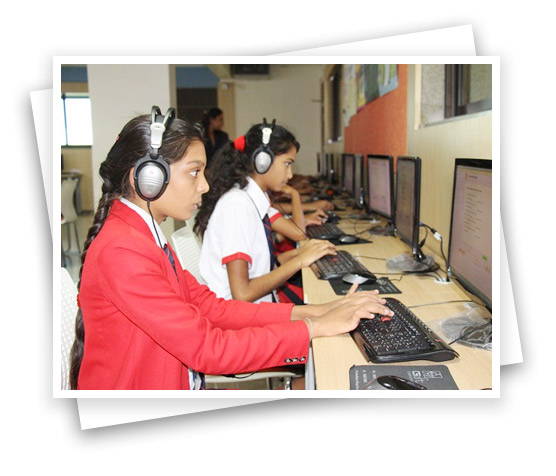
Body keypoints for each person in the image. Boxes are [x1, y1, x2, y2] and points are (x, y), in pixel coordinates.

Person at [69, 107, 393, 391]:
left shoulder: (144, 233)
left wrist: (319, 312)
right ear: (149, 178)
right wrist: (316, 328)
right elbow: (207, 348)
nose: (205, 185)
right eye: (194, 172)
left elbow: (212, 309)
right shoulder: (123, 250)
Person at [195, 120, 335, 304]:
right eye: (287, 164)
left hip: (258, 306)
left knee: (334, 307)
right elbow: (242, 294)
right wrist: (300, 261)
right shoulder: (237, 205)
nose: (290, 174)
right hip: (239, 315)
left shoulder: (251, 200)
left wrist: (302, 253)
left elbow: (263, 268)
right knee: (331, 309)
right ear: (263, 161)